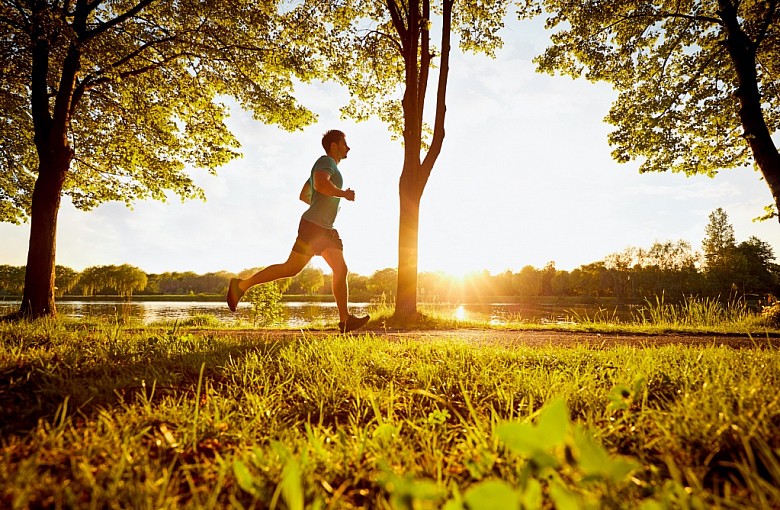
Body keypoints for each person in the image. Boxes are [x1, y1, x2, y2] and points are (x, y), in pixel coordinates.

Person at [226, 130, 370, 333]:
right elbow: (320, 184)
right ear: (334, 146)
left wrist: (322, 202)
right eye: (344, 143)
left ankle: (345, 319)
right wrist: (342, 194)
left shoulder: (326, 167)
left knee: (328, 269)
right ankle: (240, 286)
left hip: (322, 227)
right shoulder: (326, 162)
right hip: (315, 227)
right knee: (294, 269)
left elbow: (305, 194)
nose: (348, 148)